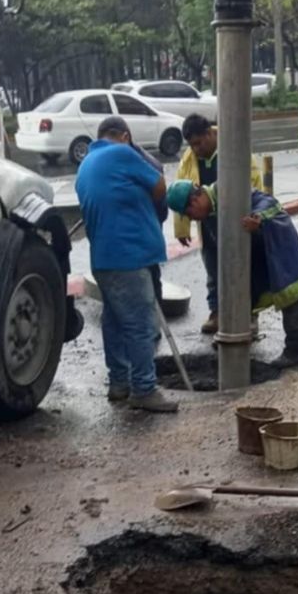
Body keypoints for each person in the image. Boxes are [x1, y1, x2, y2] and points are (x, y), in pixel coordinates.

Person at [75, 116, 177, 412]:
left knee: (115, 321)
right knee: (140, 324)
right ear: (123, 136)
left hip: (103, 259)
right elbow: (159, 186)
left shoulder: (85, 165)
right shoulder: (121, 152)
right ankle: (144, 389)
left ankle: (119, 383)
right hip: (129, 256)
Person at [166, 180, 298, 368]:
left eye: (189, 214)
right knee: (246, 296)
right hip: (255, 255)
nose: (192, 218)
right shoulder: (209, 215)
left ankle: (297, 350)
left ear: (195, 201)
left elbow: (266, 201)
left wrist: (258, 218)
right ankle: (235, 338)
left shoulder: (227, 188)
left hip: (276, 244)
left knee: (290, 296)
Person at [174, 113, 262, 336]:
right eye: (191, 145)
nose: (196, 149)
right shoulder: (190, 159)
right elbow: (181, 191)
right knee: (212, 268)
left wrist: (258, 217)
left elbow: (255, 184)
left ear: (209, 134)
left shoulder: (233, 147)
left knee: (243, 267)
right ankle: (217, 312)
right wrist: (181, 228)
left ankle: (248, 314)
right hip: (207, 223)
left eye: (198, 143)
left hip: (236, 220)